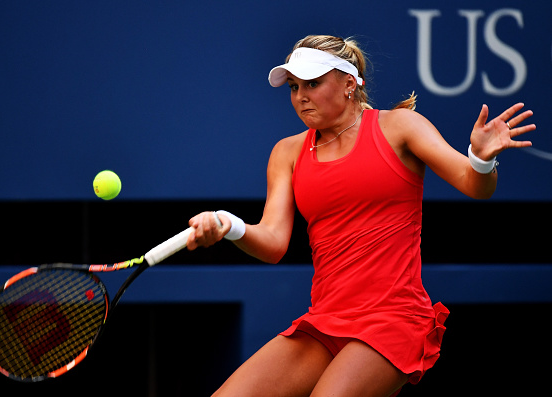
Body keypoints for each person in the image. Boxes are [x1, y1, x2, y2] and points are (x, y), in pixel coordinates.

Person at [187, 34, 536, 396]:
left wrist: (481, 160)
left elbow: (475, 186)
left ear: (349, 84)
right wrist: (230, 226)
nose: (300, 96)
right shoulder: (287, 152)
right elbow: (274, 243)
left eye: (312, 83)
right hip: (324, 322)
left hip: (395, 319)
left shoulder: (400, 127)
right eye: (293, 87)